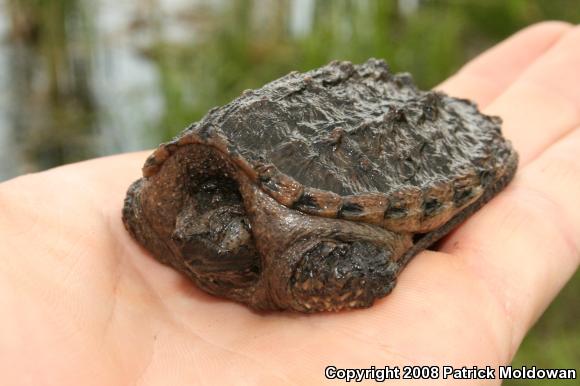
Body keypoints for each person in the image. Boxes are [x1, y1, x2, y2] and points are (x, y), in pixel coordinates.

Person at [0, 21, 578, 385]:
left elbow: (370, 266)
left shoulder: (292, 259)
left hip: (403, 150)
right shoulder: (159, 211)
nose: (194, 246)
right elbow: (372, 270)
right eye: (190, 237)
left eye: (213, 244)